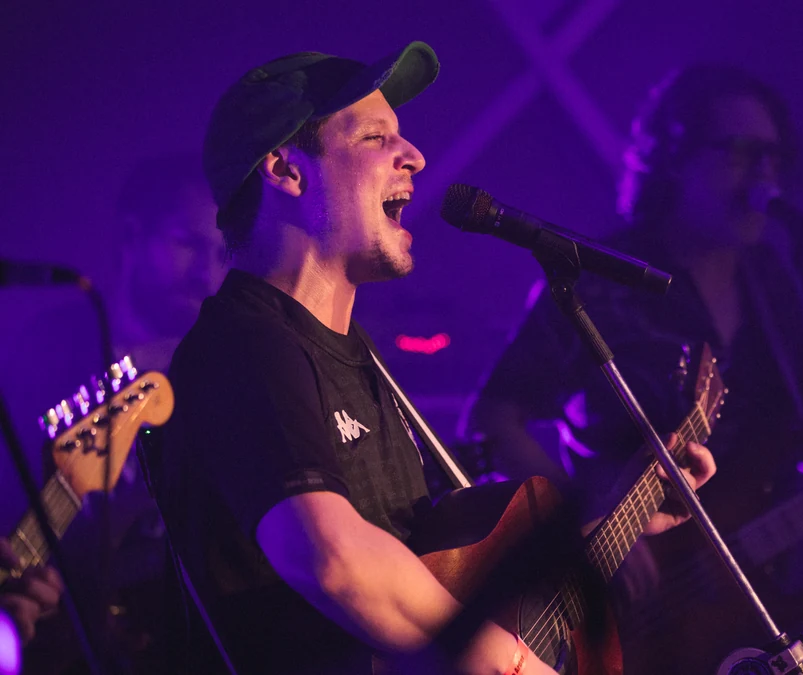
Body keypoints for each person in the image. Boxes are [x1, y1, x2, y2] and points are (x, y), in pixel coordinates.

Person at [154, 41, 714, 675]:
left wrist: (618, 517)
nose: (415, 155)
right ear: (286, 171)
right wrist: (515, 666)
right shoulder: (246, 344)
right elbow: (331, 557)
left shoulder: (361, 362)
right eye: (374, 138)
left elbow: (437, 581)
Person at [466, 64, 803, 674]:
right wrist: (583, 525)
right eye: (741, 153)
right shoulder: (604, 280)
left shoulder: (774, 283)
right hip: (619, 598)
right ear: (674, 157)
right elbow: (494, 421)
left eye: (774, 157)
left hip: (740, 601)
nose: (765, 176)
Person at [0, 153, 224, 673]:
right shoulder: (42, 349)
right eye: (186, 243)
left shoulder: (222, 362)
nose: (206, 274)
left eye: (219, 252)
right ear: (132, 235)